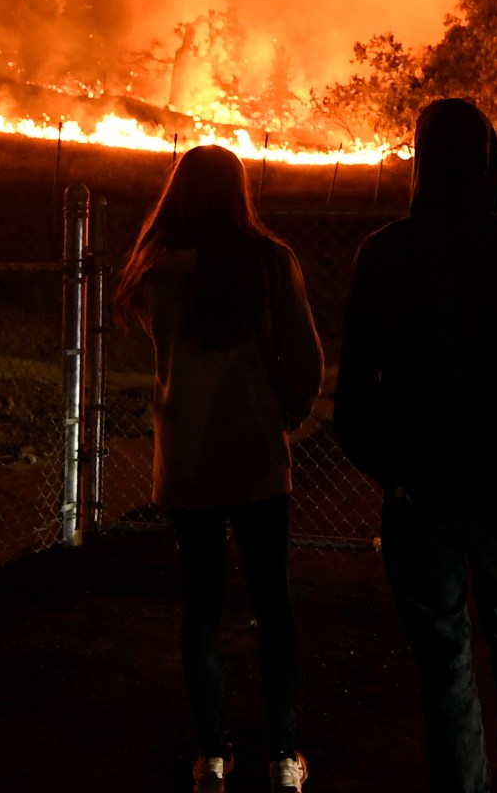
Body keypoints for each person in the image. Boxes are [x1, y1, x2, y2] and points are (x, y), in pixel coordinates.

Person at [332, 98, 497, 793]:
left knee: (443, 653)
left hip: (421, 490)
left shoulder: (383, 256)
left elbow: (352, 396)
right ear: (490, 162)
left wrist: (395, 470)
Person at [119, 144, 325, 793]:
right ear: (240, 195)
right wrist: (283, 414)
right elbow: (309, 361)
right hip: (259, 456)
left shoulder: (156, 273)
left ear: (179, 196)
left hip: (189, 460)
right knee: (274, 601)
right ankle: (285, 756)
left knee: (201, 606)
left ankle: (212, 754)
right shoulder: (270, 262)